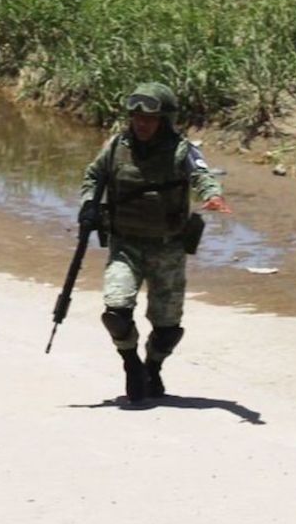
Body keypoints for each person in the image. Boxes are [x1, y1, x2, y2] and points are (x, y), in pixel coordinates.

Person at [79, 82, 232, 404]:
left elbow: (202, 175)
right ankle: (131, 364)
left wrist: (213, 196)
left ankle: (154, 365)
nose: (142, 124)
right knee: (116, 311)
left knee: (168, 327)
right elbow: (93, 176)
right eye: (136, 118)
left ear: (164, 120)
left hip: (168, 247)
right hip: (126, 245)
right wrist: (89, 205)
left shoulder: (181, 149)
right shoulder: (116, 146)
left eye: (149, 119)